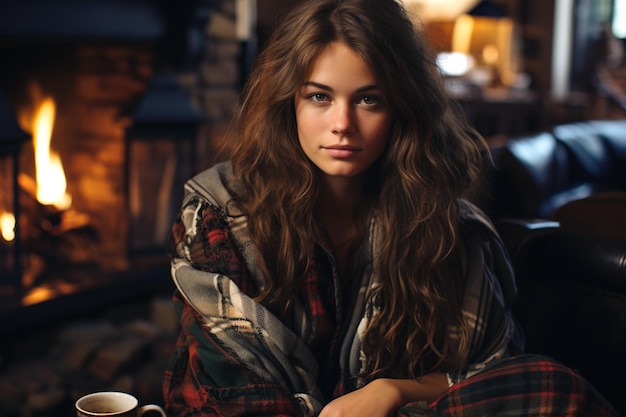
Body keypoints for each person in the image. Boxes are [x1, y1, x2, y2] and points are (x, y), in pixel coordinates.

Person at [163, 0, 620, 416]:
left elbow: (488, 368)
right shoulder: (220, 213)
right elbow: (235, 388)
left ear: (402, 108)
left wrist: (395, 390)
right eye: (319, 97)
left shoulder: (448, 225)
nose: (342, 124)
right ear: (290, 104)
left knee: (551, 385)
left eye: (368, 99)